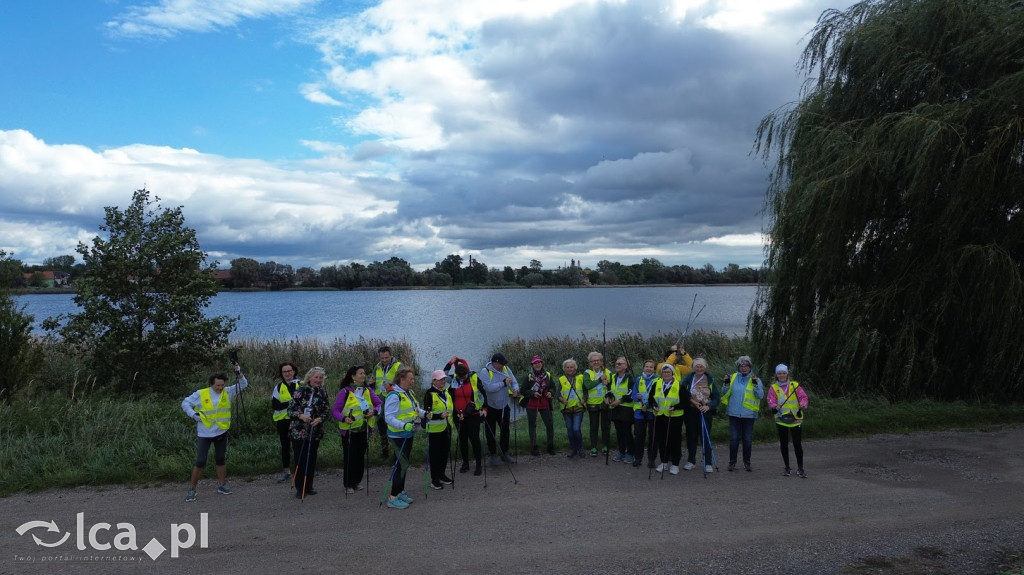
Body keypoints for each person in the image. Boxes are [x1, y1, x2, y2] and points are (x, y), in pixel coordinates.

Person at [182, 365, 248, 502]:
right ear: (212, 384)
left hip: (221, 431)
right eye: (217, 385)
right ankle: (192, 489)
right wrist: (194, 415)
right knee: (200, 461)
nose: (220, 388)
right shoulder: (201, 393)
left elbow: (243, 384)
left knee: (220, 459)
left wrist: (238, 372)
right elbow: (185, 403)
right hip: (205, 433)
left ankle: (222, 485)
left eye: (222, 385)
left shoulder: (228, 392)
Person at [332, 365, 382, 494]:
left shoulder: (367, 390)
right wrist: (343, 418)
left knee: (360, 457)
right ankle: (348, 484)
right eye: (360, 373)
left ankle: (356, 482)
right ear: (353, 376)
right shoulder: (345, 392)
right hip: (349, 431)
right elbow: (335, 411)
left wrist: (374, 412)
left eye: (364, 373)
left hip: (364, 430)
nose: (363, 375)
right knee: (350, 457)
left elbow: (378, 403)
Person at [384, 367, 426, 509]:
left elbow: (415, 409)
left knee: (404, 464)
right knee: (400, 465)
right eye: (410, 379)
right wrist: (403, 425)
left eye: (413, 379)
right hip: (398, 435)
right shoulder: (394, 395)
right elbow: (388, 417)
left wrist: (425, 414)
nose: (412, 381)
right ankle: (392, 498)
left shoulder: (408, 393)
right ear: (402, 379)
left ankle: (400, 491)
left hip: (408, 434)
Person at [289, 367, 330, 499]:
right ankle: (300, 488)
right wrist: (301, 416)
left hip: (315, 431)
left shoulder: (322, 393)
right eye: (316, 377)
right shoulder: (300, 391)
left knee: (311, 459)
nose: (318, 380)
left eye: (320, 378)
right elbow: (290, 410)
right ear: (310, 378)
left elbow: (326, 411)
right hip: (299, 431)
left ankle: (309, 485)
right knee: (300, 459)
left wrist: (320, 419)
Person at [720, 356, 764, 472]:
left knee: (747, 439)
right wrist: (726, 383)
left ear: (750, 367)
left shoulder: (755, 379)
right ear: (738, 367)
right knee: (734, 439)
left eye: (746, 366)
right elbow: (724, 393)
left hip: (749, 414)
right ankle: (732, 462)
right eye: (742, 366)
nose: (744, 368)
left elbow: (760, 395)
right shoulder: (733, 377)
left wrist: (755, 385)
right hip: (734, 413)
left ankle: (747, 462)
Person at [766, 364, 809, 478]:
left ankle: (800, 468)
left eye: (784, 373)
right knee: (784, 444)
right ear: (776, 375)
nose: (782, 375)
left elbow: (803, 397)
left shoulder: (795, 385)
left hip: (796, 418)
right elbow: (770, 401)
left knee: (797, 444)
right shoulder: (773, 387)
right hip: (781, 419)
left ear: (787, 374)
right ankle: (787, 467)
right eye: (779, 373)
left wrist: (803, 404)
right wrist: (775, 406)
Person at [445, 356, 485, 476]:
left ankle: (478, 465)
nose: (462, 378)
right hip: (458, 415)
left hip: (473, 415)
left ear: (467, 373)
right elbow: (443, 374)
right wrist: (450, 363)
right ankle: (465, 463)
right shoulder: (452, 380)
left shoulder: (474, 378)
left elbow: (483, 394)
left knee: (475, 439)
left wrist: (484, 409)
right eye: (460, 376)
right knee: (462, 439)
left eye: (464, 376)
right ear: (456, 374)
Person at [479, 353, 519, 465]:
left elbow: (514, 381)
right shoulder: (485, 372)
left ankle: (504, 453)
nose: (503, 366)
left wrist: (515, 389)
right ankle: (493, 454)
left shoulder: (506, 369)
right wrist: (503, 383)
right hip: (490, 407)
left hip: (504, 405)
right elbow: (489, 388)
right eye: (501, 364)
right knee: (490, 431)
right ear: (495, 363)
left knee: (505, 430)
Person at [682, 357, 719, 473]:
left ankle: (708, 462)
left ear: (705, 367)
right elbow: (682, 392)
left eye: (701, 366)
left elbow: (717, 398)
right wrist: (692, 402)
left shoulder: (710, 379)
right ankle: (691, 461)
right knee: (691, 436)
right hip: (691, 411)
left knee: (706, 436)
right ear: (693, 367)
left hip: (705, 411)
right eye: (697, 366)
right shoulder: (689, 378)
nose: (699, 368)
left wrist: (709, 406)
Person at [423, 370, 455, 490]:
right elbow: (427, 413)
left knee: (444, 453)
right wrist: (438, 416)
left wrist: (457, 415)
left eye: (444, 379)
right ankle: (434, 479)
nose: (443, 381)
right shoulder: (429, 394)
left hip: (446, 428)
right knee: (435, 455)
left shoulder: (445, 393)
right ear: (434, 381)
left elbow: (450, 409)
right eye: (440, 379)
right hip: (434, 429)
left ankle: (442, 475)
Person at [519, 355, 556, 456]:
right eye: (535, 363)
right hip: (532, 403)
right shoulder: (528, 376)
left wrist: (551, 393)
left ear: (542, 363)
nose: (538, 364)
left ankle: (550, 446)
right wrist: (533, 393)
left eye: (539, 362)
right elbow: (523, 390)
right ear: (532, 365)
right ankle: (534, 447)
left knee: (549, 424)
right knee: (533, 425)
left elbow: (553, 387)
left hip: (544, 402)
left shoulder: (547, 374)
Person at [652, 363, 685, 474]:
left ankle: (675, 464)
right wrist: (654, 406)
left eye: (668, 372)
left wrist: (675, 407)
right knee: (662, 440)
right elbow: (652, 398)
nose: (666, 374)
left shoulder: (679, 385)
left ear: (672, 373)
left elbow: (685, 402)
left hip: (674, 417)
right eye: (664, 372)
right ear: (661, 374)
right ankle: (664, 462)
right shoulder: (656, 384)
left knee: (675, 440)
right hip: (661, 416)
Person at [271, 362, 300, 483]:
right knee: (285, 446)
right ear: (282, 374)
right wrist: (292, 402)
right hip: (283, 421)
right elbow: (275, 405)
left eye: (289, 371)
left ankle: (300, 470)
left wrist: (288, 403)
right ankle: (286, 471)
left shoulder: (301, 384)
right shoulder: (278, 387)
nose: (287, 373)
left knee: (298, 445)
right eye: (285, 372)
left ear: (294, 371)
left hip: (298, 419)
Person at [372, 345, 403, 460]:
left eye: (386, 357)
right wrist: (370, 383)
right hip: (380, 402)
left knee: (394, 427)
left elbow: (404, 384)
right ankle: (385, 452)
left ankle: (396, 454)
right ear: (379, 357)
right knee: (381, 427)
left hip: (393, 401)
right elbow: (374, 382)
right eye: (382, 358)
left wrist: (392, 386)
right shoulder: (377, 367)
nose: (384, 360)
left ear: (391, 355)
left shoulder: (399, 366)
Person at [582, 351, 612, 457]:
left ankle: (605, 446)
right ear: (590, 363)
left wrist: (608, 385)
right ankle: (593, 447)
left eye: (598, 360)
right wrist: (600, 380)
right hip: (593, 404)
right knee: (594, 427)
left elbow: (612, 387)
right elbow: (587, 385)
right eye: (593, 361)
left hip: (605, 403)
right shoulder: (587, 373)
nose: (596, 362)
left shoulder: (607, 372)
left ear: (601, 361)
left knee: (605, 426)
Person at [631, 360, 658, 468]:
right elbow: (633, 395)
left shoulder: (658, 380)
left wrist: (647, 405)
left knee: (653, 437)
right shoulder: (638, 379)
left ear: (654, 369)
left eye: (651, 367)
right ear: (643, 368)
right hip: (639, 413)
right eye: (647, 366)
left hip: (652, 413)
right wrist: (636, 397)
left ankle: (651, 459)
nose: (648, 368)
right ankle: (638, 458)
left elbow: (657, 397)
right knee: (639, 436)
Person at [557, 358, 587, 458]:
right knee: (570, 430)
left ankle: (580, 447)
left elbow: (586, 391)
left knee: (576, 429)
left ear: (575, 368)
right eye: (567, 367)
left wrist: (585, 399)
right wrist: (562, 400)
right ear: (565, 368)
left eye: (571, 367)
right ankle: (573, 448)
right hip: (567, 409)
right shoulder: (561, 379)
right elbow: (557, 394)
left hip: (578, 408)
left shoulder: (581, 377)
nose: (569, 369)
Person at [609, 356, 635, 463]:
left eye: (620, 364)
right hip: (615, 408)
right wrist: (608, 398)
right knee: (619, 431)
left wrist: (619, 401)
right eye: (616, 363)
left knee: (627, 432)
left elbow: (630, 392)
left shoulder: (630, 377)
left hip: (626, 408)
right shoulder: (614, 377)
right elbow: (610, 390)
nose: (617, 365)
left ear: (626, 366)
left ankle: (630, 453)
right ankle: (621, 451)